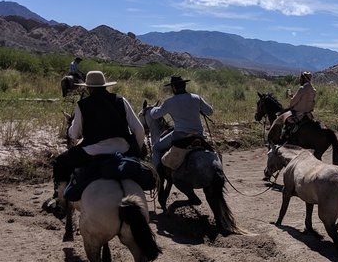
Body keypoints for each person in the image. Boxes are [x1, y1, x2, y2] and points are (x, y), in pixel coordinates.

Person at [45, 70, 145, 215]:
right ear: (105, 86)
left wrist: (70, 131)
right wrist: (136, 151)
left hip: (92, 152)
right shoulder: (120, 100)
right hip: (123, 150)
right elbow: (139, 130)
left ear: (88, 88)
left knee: (59, 163)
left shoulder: (82, 105)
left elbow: (75, 134)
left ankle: (61, 202)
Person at [150, 75, 214, 170]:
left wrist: (153, 108)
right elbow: (210, 112)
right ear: (184, 85)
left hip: (180, 135)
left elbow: (154, 115)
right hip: (199, 134)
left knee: (156, 148)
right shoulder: (196, 98)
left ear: (174, 88)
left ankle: (157, 175)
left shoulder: (169, 102)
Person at [280, 71, 316, 141]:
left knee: (285, 120)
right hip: (308, 113)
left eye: (301, 78)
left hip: (298, 112)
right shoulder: (313, 90)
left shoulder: (302, 88)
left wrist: (291, 98)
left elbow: (293, 102)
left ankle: (284, 138)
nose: (300, 80)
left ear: (304, 79)